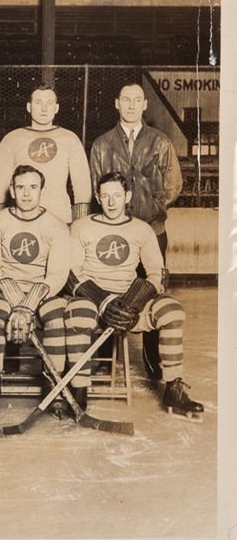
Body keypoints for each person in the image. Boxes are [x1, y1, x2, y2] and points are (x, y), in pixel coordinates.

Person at [64, 171, 203, 417]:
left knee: (171, 310)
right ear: (97, 197)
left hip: (128, 307)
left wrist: (132, 304)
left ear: (127, 196)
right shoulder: (81, 226)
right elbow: (73, 274)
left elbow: (156, 274)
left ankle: (173, 388)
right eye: (105, 196)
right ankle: (79, 390)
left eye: (117, 195)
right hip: (93, 302)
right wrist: (105, 302)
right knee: (78, 313)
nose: (111, 201)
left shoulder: (142, 229)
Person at [89, 82, 183, 381]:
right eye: (125, 100)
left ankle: (153, 361)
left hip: (151, 230)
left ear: (145, 105)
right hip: (111, 231)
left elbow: (173, 185)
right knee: (108, 288)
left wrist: (147, 211)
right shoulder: (102, 143)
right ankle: (104, 357)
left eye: (137, 100)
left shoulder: (160, 140)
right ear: (117, 103)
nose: (131, 105)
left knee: (153, 292)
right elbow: (95, 185)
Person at [0, 165, 70, 417]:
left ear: (42, 190)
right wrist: (17, 303)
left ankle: (53, 380)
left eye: (33, 187)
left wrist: (26, 306)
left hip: (42, 292)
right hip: (4, 289)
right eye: (20, 187)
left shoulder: (56, 225)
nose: (27, 194)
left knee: (55, 316)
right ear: (11, 190)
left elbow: (57, 274)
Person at [0, 83, 92, 224]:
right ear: (29, 107)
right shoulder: (12, 139)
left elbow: (82, 188)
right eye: (38, 103)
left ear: (56, 108)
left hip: (60, 219)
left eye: (49, 103)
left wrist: (80, 225)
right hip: (21, 221)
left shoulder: (69, 138)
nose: (44, 108)